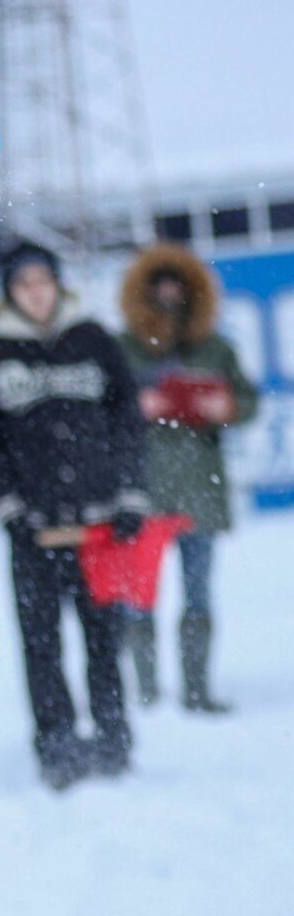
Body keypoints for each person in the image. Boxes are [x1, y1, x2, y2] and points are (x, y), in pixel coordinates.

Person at [0, 241, 148, 789]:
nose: (36, 292)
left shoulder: (94, 341)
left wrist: (131, 497)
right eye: (24, 284)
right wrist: (8, 509)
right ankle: (57, 748)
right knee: (41, 645)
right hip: (34, 532)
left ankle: (113, 740)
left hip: (101, 527)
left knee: (104, 641)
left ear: (58, 285)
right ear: (9, 292)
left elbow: (128, 422)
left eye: (44, 281)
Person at [116, 244, 260, 713]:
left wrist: (227, 408)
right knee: (141, 594)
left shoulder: (216, 348)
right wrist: (136, 408)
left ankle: (196, 689)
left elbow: (248, 399)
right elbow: (103, 407)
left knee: (198, 591)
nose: (168, 294)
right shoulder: (124, 348)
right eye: (160, 284)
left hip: (201, 486)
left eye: (177, 285)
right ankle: (148, 692)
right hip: (146, 488)